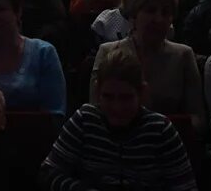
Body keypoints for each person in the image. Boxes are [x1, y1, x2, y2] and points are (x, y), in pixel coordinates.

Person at [40, 48, 198, 191]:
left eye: (126, 98)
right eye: (108, 97)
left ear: (141, 94)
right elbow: (49, 173)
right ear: (98, 92)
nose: (117, 107)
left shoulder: (160, 130)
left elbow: (185, 186)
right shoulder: (85, 120)